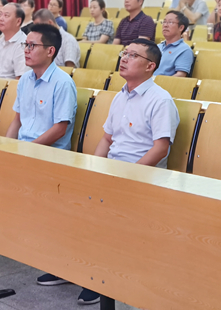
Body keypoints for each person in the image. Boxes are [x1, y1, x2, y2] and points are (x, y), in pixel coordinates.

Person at [77, 38, 179, 304]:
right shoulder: (120, 95)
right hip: (113, 171)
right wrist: (95, 168)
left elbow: (160, 149)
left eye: (133, 55)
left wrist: (128, 176)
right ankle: (83, 269)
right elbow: (107, 139)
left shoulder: (160, 100)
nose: (124, 58)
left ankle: (105, 278)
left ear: (150, 66)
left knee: (109, 215)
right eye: (124, 53)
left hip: (143, 176)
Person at [11, 23, 78, 288]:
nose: (26, 50)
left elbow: (60, 129)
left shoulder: (62, 82)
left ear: (50, 51)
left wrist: (28, 150)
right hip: (27, 150)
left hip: (51, 156)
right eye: (25, 45)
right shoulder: (25, 79)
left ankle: (63, 265)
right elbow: (17, 120)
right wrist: (4, 149)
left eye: (31, 46)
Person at [0, 3, 29, 79]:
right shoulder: (0, 42)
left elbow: (20, 79)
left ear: (18, 21)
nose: (0, 18)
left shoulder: (22, 45)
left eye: (6, 15)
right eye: (0, 15)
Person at [155, 11, 193, 77]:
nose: (165, 25)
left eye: (170, 22)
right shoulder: (157, 47)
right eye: (164, 22)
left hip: (164, 85)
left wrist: (160, 83)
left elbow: (180, 75)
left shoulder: (184, 50)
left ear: (181, 28)